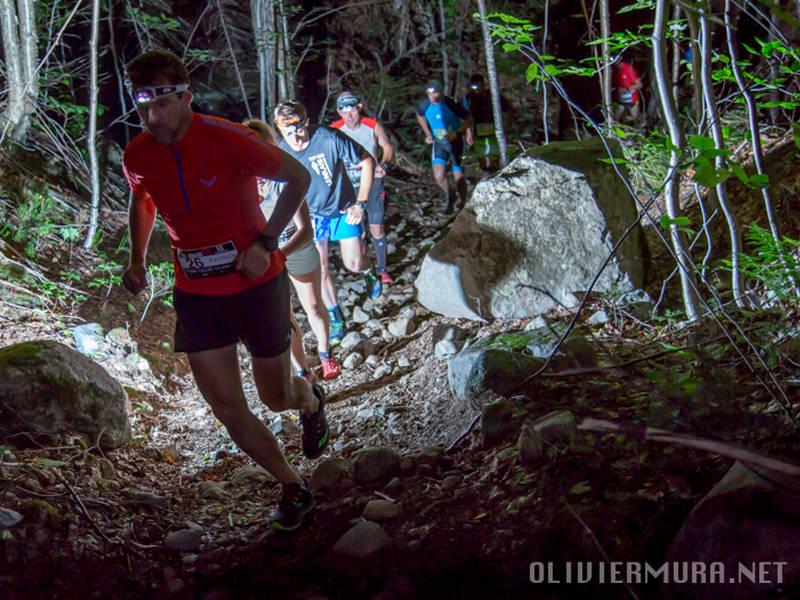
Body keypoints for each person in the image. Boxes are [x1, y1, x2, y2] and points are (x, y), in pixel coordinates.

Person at [121, 49, 327, 532]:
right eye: (143, 107)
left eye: (162, 104)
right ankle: (292, 485)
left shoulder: (230, 138)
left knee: (276, 396)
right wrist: (136, 258)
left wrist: (265, 241)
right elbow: (143, 200)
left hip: (257, 285)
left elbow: (298, 178)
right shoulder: (138, 154)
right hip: (197, 294)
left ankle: (312, 401)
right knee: (227, 406)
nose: (152, 118)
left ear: (185, 97)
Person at [272, 100, 379, 348]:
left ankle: (368, 270)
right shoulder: (280, 152)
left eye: (298, 129)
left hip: (342, 209)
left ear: (306, 122)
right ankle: (336, 316)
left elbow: (367, 161)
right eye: (287, 131)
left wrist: (360, 203)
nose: (294, 137)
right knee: (319, 267)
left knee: (353, 263)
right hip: (311, 216)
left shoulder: (328, 137)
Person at [244, 119, 341, 382]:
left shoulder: (284, 179)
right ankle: (303, 372)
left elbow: (305, 230)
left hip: (293, 247)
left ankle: (325, 353)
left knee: (313, 306)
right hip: (267, 256)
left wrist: (279, 254)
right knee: (283, 317)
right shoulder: (242, 183)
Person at [331, 91, 396, 285]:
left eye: (352, 110)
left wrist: (384, 164)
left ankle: (383, 270)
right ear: (339, 112)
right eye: (344, 111)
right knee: (357, 227)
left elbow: (387, 146)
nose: (349, 116)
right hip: (350, 185)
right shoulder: (334, 129)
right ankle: (364, 265)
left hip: (373, 180)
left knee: (377, 227)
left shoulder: (372, 125)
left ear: (359, 108)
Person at [414, 79, 473, 214]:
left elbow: (469, 118)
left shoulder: (450, 103)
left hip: (455, 143)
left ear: (441, 92)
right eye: (430, 94)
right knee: (439, 176)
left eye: (436, 94)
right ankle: (450, 194)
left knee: (458, 177)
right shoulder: (424, 105)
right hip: (439, 143)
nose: (433, 97)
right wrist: (428, 133)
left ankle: (463, 201)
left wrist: (459, 133)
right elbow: (419, 116)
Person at [463, 73, 512, 179]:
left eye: (478, 86)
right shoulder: (469, 98)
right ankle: (487, 176)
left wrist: (506, 129)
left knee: (494, 159)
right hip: (478, 132)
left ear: (483, 84)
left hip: (494, 131)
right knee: (483, 161)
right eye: (473, 86)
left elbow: (508, 110)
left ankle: (496, 177)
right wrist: (468, 132)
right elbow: (466, 116)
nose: (476, 89)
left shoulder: (493, 95)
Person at [613, 58, 644, 125]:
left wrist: (627, 89)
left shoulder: (629, 69)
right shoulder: (615, 70)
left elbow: (640, 85)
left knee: (636, 120)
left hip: (632, 100)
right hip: (620, 100)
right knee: (615, 119)